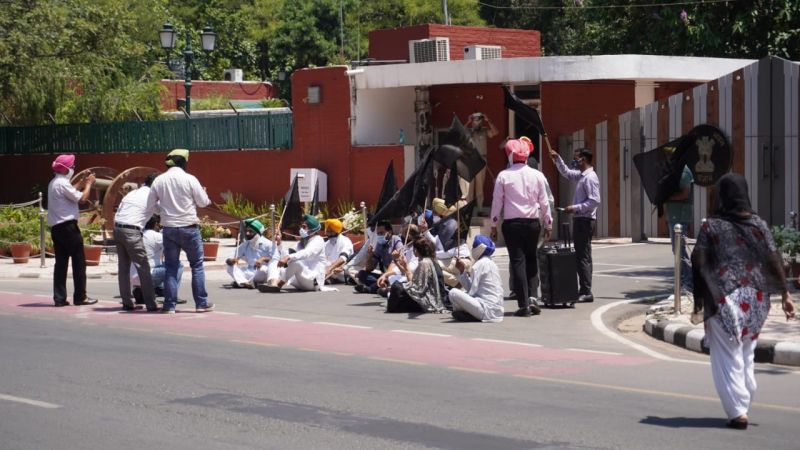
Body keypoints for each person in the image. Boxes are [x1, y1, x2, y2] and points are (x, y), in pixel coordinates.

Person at [691, 173, 795, 430]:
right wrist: (785, 294)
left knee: (726, 356)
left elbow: (698, 260)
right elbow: (773, 259)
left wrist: (702, 294)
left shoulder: (711, 226)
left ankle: (738, 410)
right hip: (757, 300)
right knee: (745, 353)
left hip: (724, 298)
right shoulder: (759, 224)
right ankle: (747, 391)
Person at [146, 149, 214, 314]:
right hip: (189, 227)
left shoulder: (159, 180)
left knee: (171, 267)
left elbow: (149, 206)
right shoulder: (190, 179)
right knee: (197, 266)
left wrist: (161, 212)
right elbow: (203, 202)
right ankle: (201, 303)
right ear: (184, 162)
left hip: (169, 228)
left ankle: (169, 305)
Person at [491, 139, 553, 317]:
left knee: (517, 261)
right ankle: (533, 297)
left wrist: (494, 224)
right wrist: (548, 223)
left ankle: (523, 304)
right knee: (531, 258)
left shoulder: (503, 175)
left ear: (510, 156)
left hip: (512, 224)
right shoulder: (538, 175)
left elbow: (497, 203)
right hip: (533, 223)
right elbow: (545, 202)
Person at [549, 146, 601, 303]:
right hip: (580, 220)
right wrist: (558, 159)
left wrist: (575, 208)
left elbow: (594, 201)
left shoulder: (590, 178)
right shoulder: (581, 176)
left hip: (585, 221)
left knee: (582, 256)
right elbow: (567, 173)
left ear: (583, 159)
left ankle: (586, 291)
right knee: (582, 255)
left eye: (576, 158)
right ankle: (584, 289)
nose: (574, 160)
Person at [47, 154, 98, 307]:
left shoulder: (55, 182)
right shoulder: (62, 183)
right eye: (73, 166)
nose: (74, 168)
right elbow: (82, 199)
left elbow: (70, 192)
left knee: (61, 264)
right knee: (79, 262)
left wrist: (81, 182)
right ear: (66, 169)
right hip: (68, 227)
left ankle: (59, 298)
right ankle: (80, 297)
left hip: (57, 228)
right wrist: (88, 184)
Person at [113, 172, 160, 312]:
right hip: (132, 231)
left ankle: (127, 302)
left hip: (118, 228)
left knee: (124, 268)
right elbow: (160, 211)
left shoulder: (133, 193)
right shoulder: (151, 196)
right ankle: (151, 304)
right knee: (143, 267)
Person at [130, 215, 185, 304]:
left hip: (134, 277)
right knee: (178, 265)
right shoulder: (157, 236)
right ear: (156, 224)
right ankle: (172, 295)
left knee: (160, 265)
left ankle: (150, 290)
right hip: (149, 275)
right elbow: (174, 249)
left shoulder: (137, 236)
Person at [265, 214, 327, 292]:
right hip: (299, 280)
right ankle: (273, 284)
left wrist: (288, 257)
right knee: (274, 260)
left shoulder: (318, 240)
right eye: (301, 226)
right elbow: (286, 256)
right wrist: (279, 243)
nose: (301, 229)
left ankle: (279, 285)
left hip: (313, 282)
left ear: (312, 230)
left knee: (296, 262)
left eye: (304, 227)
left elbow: (306, 253)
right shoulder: (302, 242)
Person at [449, 235, 504, 323]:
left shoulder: (480, 264)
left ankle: (470, 315)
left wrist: (462, 272)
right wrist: (462, 271)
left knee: (453, 293)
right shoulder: (491, 263)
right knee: (462, 293)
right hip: (497, 311)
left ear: (479, 248)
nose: (472, 248)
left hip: (486, 310)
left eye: (474, 246)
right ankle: (469, 313)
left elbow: (472, 291)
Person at [387, 238, 446, 314]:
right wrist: (398, 262)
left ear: (416, 251)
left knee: (396, 286)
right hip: (434, 298)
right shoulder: (431, 261)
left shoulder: (424, 263)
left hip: (429, 301)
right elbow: (412, 277)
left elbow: (417, 288)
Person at [665, 164, 694, 295]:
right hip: (674, 215)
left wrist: (668, 197)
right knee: (676, 250)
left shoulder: (684, 172)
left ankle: (688, 283)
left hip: (680, 215)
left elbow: (685, 193)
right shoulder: (674, 171)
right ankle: (683, 281)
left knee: (680, 250)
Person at [226, 218, 278, 289]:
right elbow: (233, 258)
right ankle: (245, 283)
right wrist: (231, 261)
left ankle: (241, 282)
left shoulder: (268, 244)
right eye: (247, 231)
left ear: (257, 233)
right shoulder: (245, 244)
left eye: (250, 231)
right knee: (229, 267)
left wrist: (263, 259)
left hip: (262, 271)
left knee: (263, 270)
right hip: (249, 271)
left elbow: (275, 259)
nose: (247, 233)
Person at [464, 112, 498, 214]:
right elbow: (459, 133)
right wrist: (467, 122)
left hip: (481, 159)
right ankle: (468, 210)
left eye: (479, 120)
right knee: (469, 188)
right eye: (475, 121)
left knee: (480, 187)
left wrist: (488, 120)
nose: (477, 123)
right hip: (470, 160)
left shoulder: (484, 131)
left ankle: (480, 209)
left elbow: (495, 132)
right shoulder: (468, 131)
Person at [355, 220, 402, 294]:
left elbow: (395, 261)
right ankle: (382, 285)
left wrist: (385, 276)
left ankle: (370, 288)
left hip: (394, 273)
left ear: (389, 231)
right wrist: (370, 255)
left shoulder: (396, 240)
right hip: (384, 274)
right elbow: (369, 268)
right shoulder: (380, 243)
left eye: (382, 233)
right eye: (378, 234)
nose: (380, 236)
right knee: (362, 273)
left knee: (390, 279)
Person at [323, 218, 354, 284]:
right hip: (329, 271)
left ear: (337, 231)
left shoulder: (345, 241)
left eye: (331, 231)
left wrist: (330, 268)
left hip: (342, 271)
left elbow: (343, 258)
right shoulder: (326, 244)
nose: (329, 234)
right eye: (327, 231)